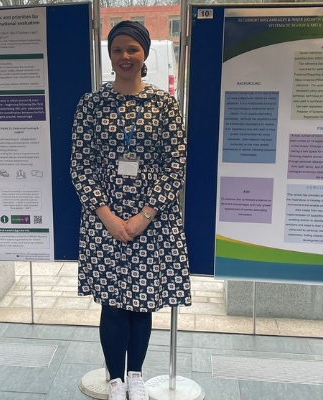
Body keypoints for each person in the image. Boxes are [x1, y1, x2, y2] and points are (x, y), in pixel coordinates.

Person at [70, 21, 191, 400]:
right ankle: (115, 379)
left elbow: (176, 164)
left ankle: (136, 375)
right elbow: (81, 165)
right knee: (113, 300)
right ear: (109, 54)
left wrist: (144, 216)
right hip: (103, 220)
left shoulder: (164, 105)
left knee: (143, 300)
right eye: (118, 49)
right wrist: (107, 217)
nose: (125, 56)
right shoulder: (91, 105)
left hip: (152, 220)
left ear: (145, 55)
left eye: (133, 49)